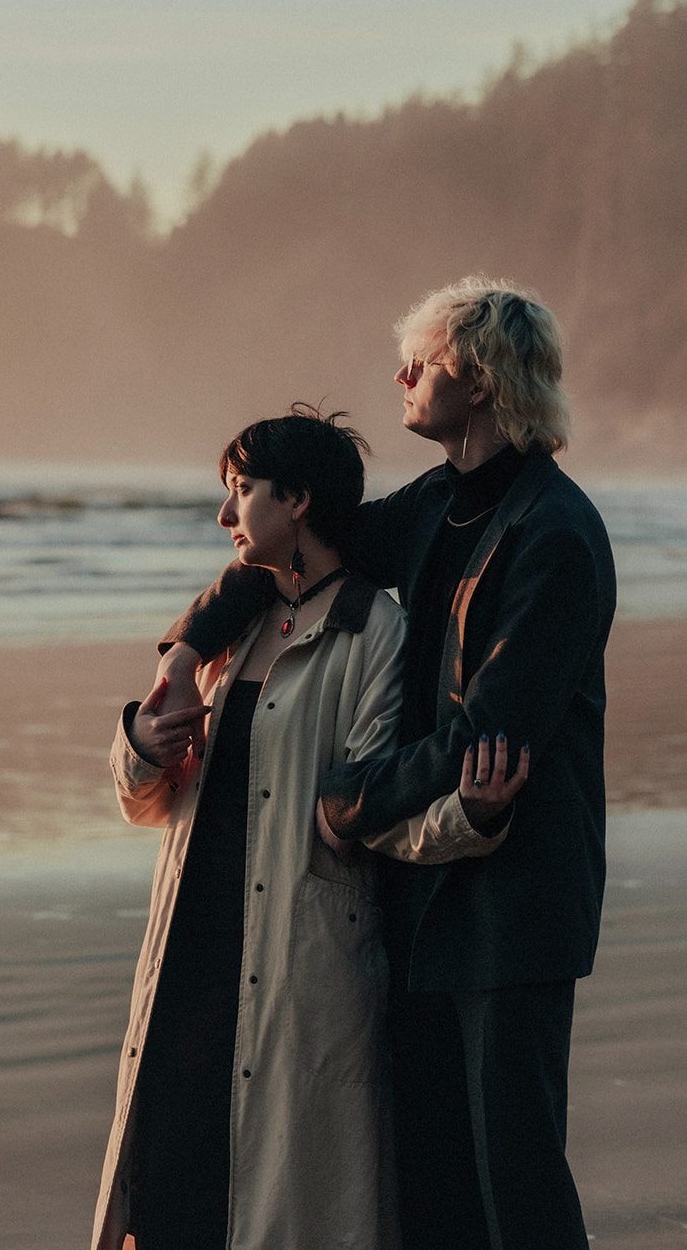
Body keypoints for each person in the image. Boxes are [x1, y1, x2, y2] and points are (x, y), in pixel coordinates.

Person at [156, 278, 616, 1250]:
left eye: (424, 359)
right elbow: (291, 549)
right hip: (415, 888)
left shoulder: (556, 536)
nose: (401, 374)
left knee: (514, 1173)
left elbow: (492, 728)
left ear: (480, 379)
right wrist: (187, 644)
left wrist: (350, 796)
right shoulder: (439, 505)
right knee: (437, 1177)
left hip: (512, 898)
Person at [91, 405, 520, 1250]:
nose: (223, 514)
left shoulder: (376, 632)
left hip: (300, 957)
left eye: (240, 491)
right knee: (170, 1190)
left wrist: (466, 819)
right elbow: (144, 801)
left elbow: (373, 811)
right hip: (187, 954)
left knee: (284, 1203)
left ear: (297, 502)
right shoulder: (225, 628)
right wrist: (138, 742)